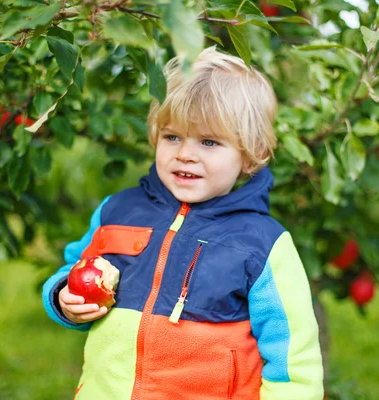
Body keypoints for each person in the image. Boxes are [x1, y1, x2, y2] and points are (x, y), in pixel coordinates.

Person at [42, 46, 324, 400]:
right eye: (172, 136)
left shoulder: (262, 243)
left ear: (249, 154)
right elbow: (73, 268)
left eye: (209, 141)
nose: (185, 153)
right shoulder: (117, 211)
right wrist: (64, 297)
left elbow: (292, 354)